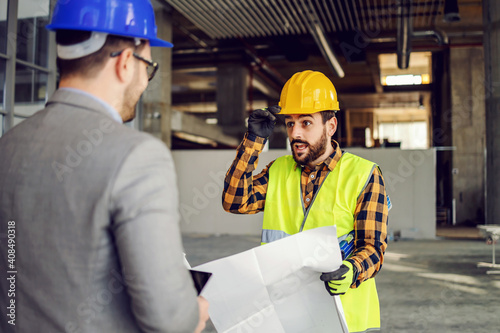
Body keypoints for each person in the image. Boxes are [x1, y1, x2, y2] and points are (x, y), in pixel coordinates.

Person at [0, 0, 208, 332]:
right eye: (148, 69)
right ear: (127, 62)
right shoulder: (138, 156)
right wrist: (192, 313)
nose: (144, 81)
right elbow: (169, 320)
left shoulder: (8, 145)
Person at [222, 70, 389, 333]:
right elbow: (234, 201)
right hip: (287, 314)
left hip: (343, 318)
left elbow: (373, 247)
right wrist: (253, 141)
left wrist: (352, 270)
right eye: (290, 123)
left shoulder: (364, 175)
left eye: (306, 123)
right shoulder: (278, 170)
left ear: (330, 126)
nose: (295, 133)